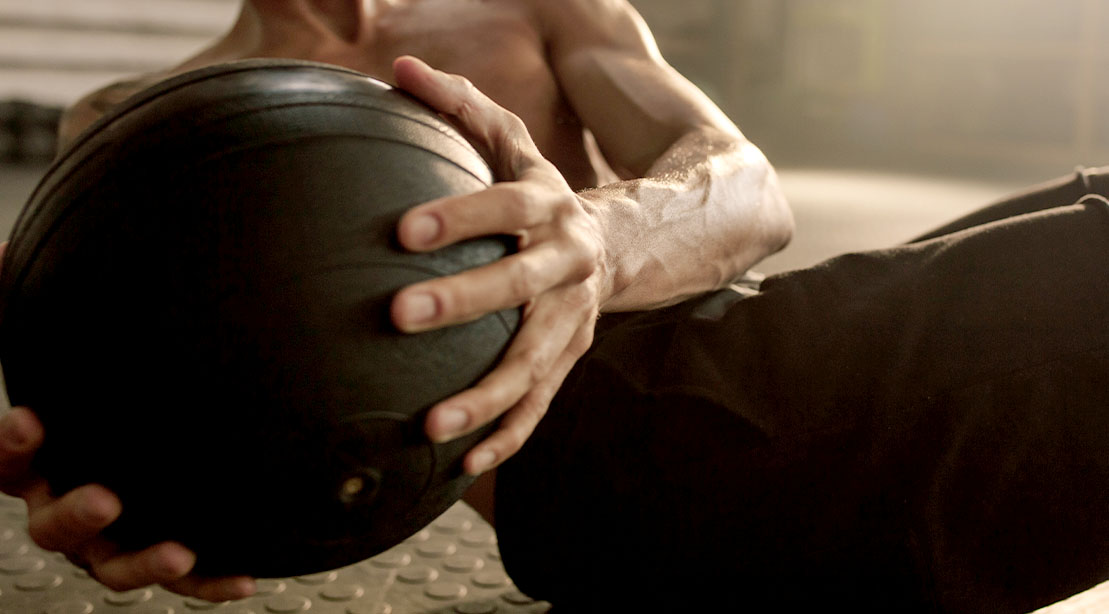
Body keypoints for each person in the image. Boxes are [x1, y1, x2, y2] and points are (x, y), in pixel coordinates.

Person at [0, 0, 1106, 611]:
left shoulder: (535, 7)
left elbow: (743, 186)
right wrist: (150, 487)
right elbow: (104, 393)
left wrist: (601, 236)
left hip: (742, 356)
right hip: (624, 475)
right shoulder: (142, 122)